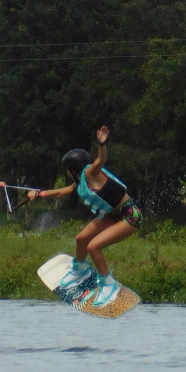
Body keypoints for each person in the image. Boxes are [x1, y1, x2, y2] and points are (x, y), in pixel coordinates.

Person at [28, 125, 142, 308]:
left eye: (67, 169)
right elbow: (63, 192)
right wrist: (39, 194)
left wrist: (101, 144)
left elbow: (101, 160)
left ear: (73, 168)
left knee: (93, 247)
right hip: (111, 215)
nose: (66, 173)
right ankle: (80, 270)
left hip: (129, 216)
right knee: (81, 239)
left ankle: (109, 285)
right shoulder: (80, 180)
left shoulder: (90, 173)